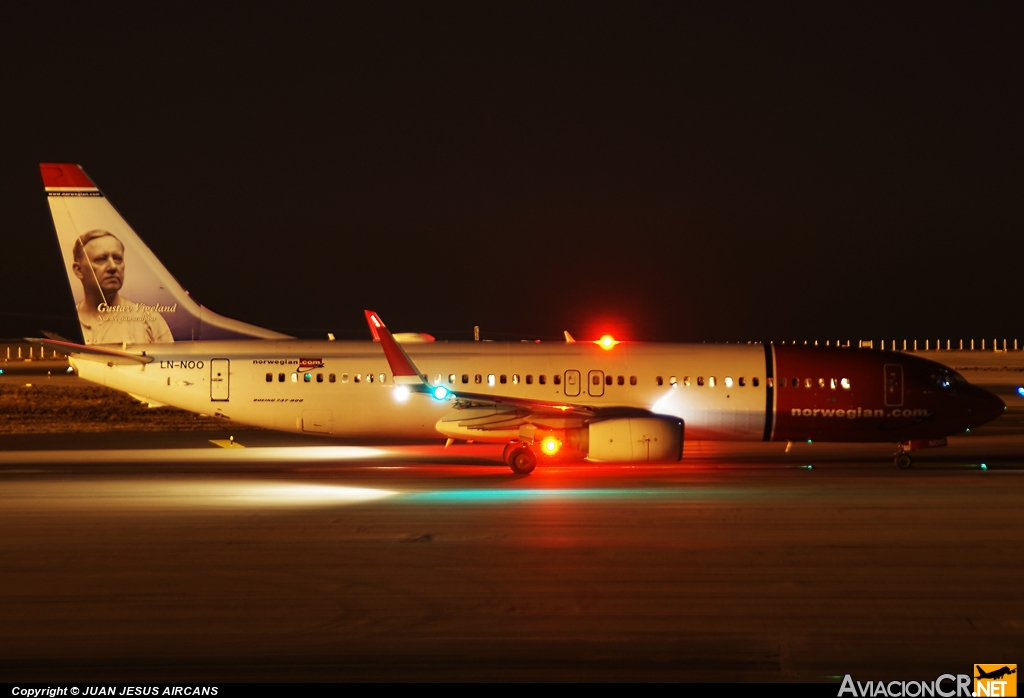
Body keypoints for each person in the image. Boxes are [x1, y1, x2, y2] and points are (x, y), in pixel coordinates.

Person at [72, 229, 174, 344]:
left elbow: (170, 361)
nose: (113, 267)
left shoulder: (149, 320)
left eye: (117, 259)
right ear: (79, 270)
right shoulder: (67, 323)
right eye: (101, 259)